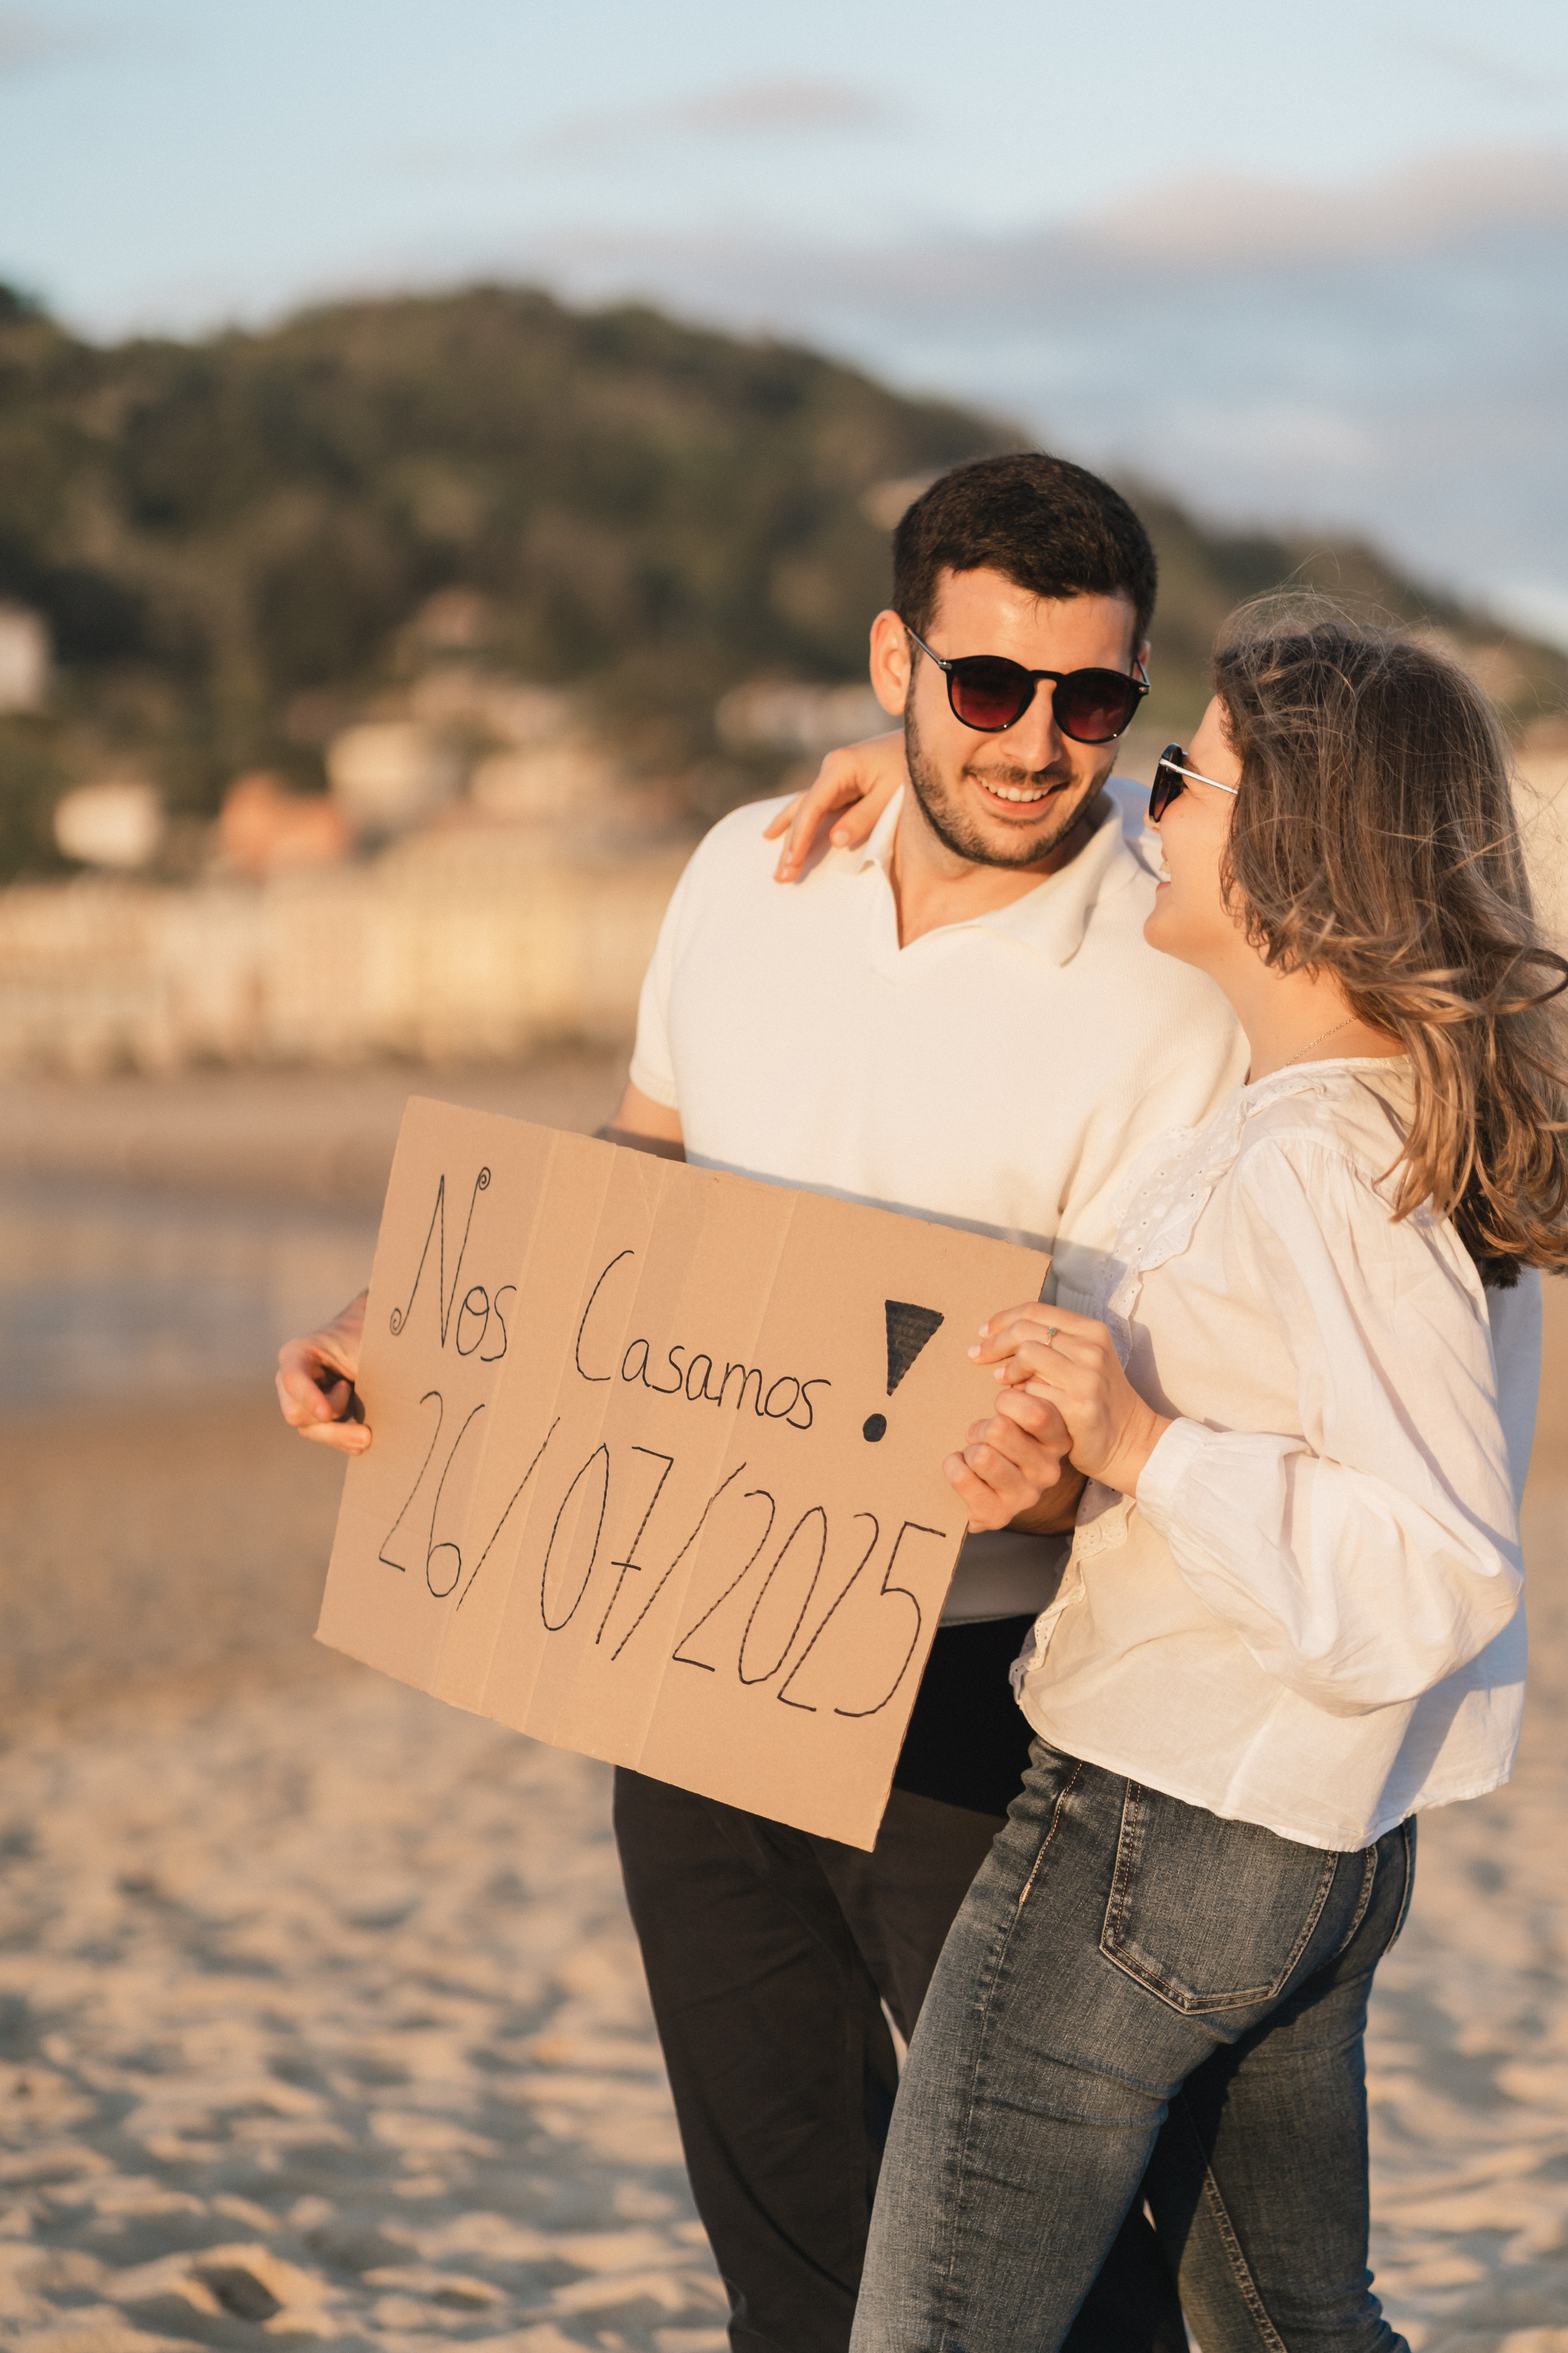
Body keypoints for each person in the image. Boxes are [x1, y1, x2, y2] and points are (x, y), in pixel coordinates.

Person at [276, 453, 1247, 2353]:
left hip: (996, 1697)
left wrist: (1053, 1472)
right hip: (683, 1645)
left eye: (1092, 700)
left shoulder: (1179, 978)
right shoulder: (748, 868)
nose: (1039, 744)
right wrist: (406, 1322)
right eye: (986, 686)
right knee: (786, 2233)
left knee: (1054, 2257)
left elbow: (1166, 1393)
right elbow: (635, 1168)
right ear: (894, 658)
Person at [846, 606, 1559, 2353]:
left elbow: (1436, 1564)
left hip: (1163, 1823)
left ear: (1298, 848)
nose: (1151, 801)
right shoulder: (1346, 1114)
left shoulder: (1322, 1154)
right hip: (1298, 1836)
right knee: (1295, 2328)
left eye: (1188, 774)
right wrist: (1093, 1459)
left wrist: (1149, 1445)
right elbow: (1283, 1433)